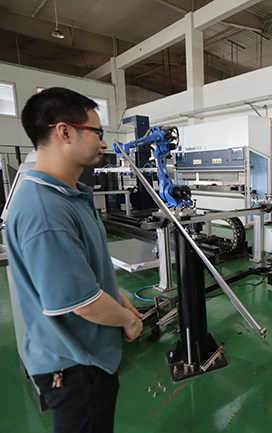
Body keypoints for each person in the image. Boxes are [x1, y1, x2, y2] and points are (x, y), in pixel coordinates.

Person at [5, 87, 143, 433]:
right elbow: (83, 303)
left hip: (87, 357)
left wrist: (119, 297)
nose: (104, 142)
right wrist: (128, 320)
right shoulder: (44, 211)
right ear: (65, 132)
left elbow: (87, 272)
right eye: (97, 132)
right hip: (74, 365)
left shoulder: (71, 196)